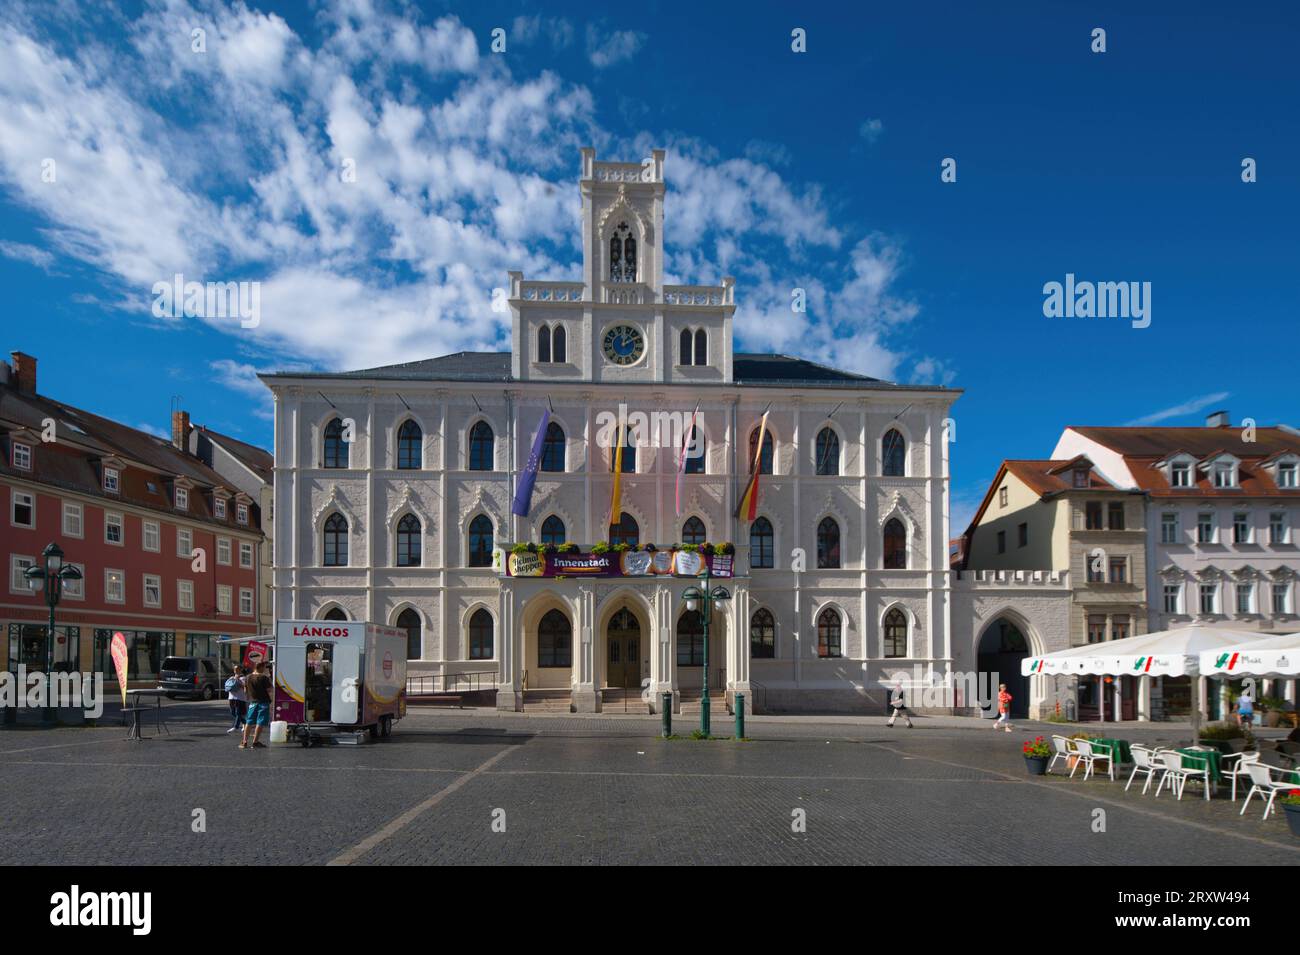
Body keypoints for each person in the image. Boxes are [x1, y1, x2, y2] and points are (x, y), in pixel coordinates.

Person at [240, 659, 273, 749]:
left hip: (252, 702)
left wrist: (247, 698)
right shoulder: (264, 678)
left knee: (249, 721)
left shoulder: (248, 677)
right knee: (260, 722)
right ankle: (255, 742)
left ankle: (244, 742)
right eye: (264, 667)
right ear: (261, 667)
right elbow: (270, 690)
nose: (264, 669)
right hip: (264, 702)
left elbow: (245, 690)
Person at [225, 666, 248, 734]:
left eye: (237, 669)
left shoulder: (243, 678)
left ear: (241, 670)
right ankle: (246, 723)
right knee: (233, 712)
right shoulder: (231, 677)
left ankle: (236, 727)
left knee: (238, 713)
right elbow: (228, 686)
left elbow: (244, 686)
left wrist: (238, 680)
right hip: (231, 697)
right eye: (235, 669)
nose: (236, 670)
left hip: (240, 698)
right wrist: (232, 680)